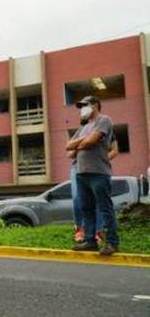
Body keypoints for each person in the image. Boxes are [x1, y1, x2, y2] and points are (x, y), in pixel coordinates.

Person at [68, 95, 119, 255]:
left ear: (95, 105)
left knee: (105, 208)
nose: (82, 109)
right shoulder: (83, 127)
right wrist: (84, 141)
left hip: (98, 172)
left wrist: (82, 144)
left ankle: (112, 242)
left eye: (85, 105)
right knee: (86, 209)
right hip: (81, 173)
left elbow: (92, 141)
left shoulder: (104, 120)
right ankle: (90, 241)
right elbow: (68, 147)